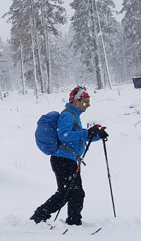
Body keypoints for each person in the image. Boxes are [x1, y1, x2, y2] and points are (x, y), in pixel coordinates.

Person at [30, 86, 106, 226]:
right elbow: (64, 135)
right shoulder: (68, 115)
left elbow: (78, 137)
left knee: (74, 192)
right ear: (76, 101)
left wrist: (96, 135)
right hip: (62, 160)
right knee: (65, 193)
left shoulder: (74, 115)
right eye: (86, 101)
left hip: (68, 159)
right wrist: (86, 133)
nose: (88, 105)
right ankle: (39, 216)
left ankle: (73, 220)